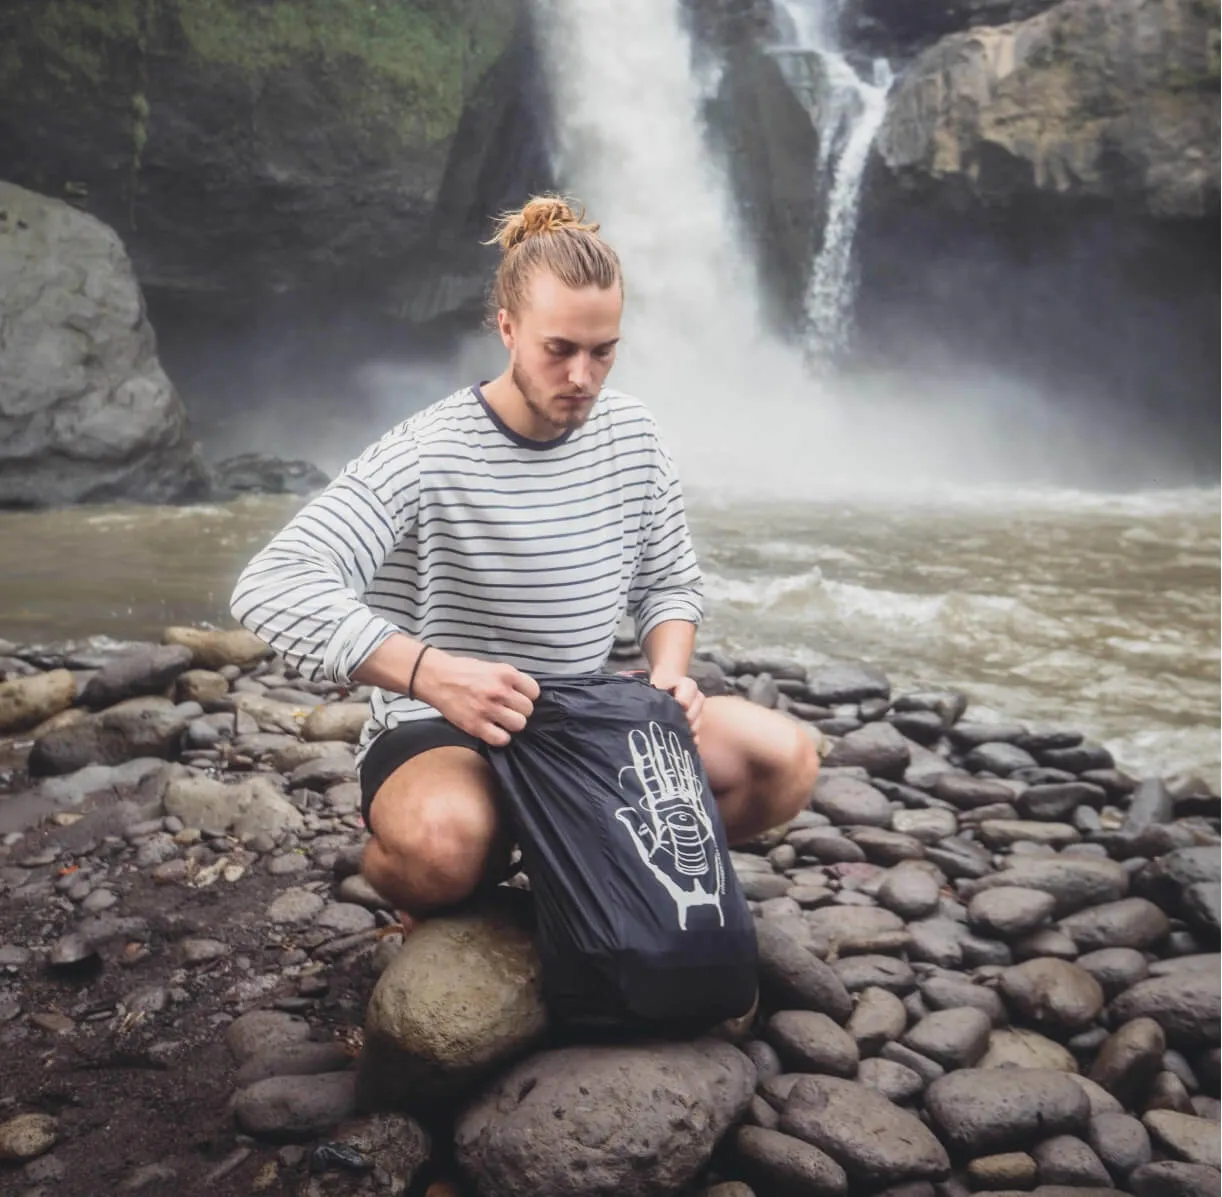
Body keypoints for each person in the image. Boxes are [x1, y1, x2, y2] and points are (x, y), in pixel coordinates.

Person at [230, 195, 820, 924]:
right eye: (559, 349)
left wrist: (669, 671)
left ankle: (573, 865)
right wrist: (433, 674)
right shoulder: (426, 452)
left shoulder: (632, 434)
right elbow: (271, 582)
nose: (583, 376)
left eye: (603, 351)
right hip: (444, 727)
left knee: (785, 760)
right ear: (507, 329)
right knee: (441, 848)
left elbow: (668, 582)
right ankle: (403, 865)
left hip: (585, 720)